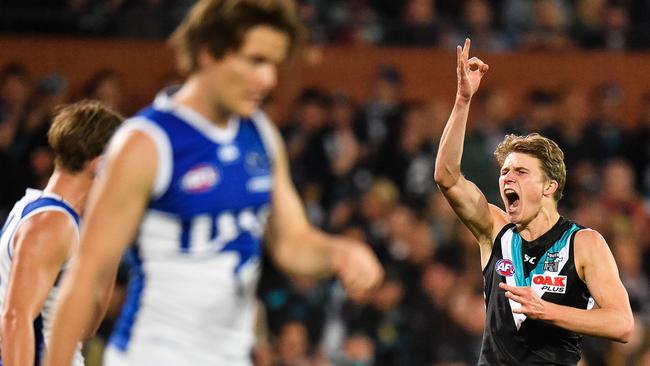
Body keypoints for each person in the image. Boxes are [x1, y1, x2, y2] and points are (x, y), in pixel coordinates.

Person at [43, 1, 384, 365]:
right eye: (255, 60)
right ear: (208, 53)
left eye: (273, 64)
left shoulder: (260, 135)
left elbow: (292, 244)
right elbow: (86, 275)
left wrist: (340, 253)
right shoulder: (148, 142)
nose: (268, 79)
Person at [433, 38, 634, 365]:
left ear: (549, 186)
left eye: (521, 172)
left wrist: (548, 311)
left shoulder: (583, 243)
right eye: (505, 171)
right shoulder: (495, 230)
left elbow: (622, 323)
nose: (507, 178)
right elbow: (447, 177)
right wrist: (462, 101)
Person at [0, 100, 123, 366]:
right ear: (100, 164)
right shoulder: (51, 223)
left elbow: (85, 328)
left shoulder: (51, 215)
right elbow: (14, 318)